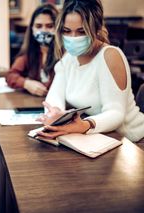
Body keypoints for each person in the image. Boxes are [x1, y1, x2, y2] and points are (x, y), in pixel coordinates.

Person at [36, 0, 144, 142]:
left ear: (96, 29)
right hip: (102, 138)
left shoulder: (110, 56)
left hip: (132, 140)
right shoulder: (68, 57)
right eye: (67, 31)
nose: (73, 38)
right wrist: (55, 114)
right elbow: (54, 96)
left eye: (81, 31)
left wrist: (85, 125)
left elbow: (116, 113)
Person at [6, 3, 58, 96]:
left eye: (49, 26)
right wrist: (26, 83)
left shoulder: (66, 55)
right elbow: (10, 75)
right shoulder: (29, 53)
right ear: (32, 29)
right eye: (38, 26)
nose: (43, 30)